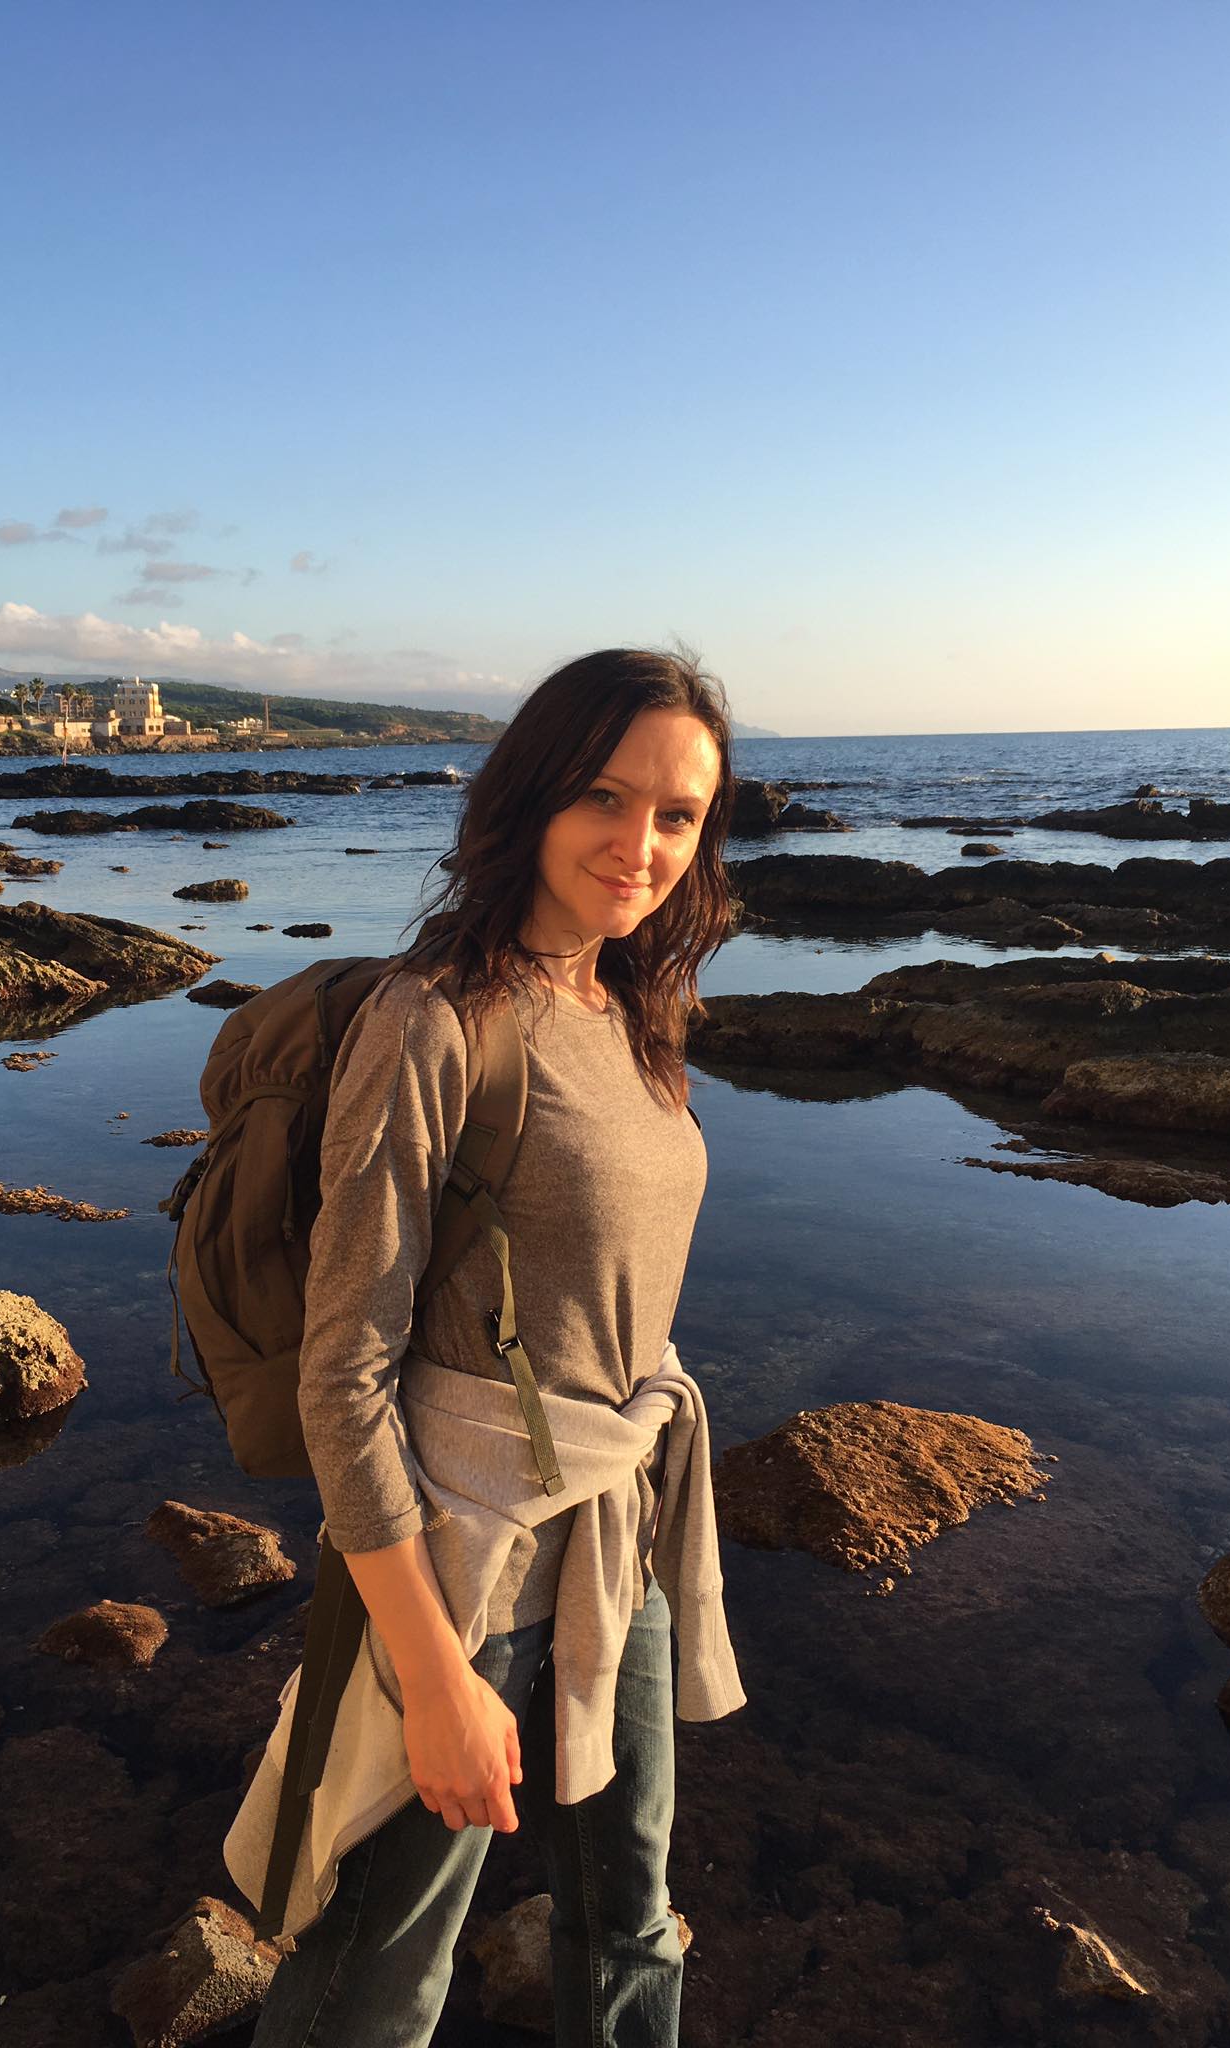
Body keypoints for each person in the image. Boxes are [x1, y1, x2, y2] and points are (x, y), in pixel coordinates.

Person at [250, 647, 743, 2048]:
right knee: (380, 1976)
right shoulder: (435, 1021)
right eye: (605, 795)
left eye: (678, 814)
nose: (640, 844)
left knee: (631, 1923)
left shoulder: (632, 1006)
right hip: (465, 1555)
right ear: (531, 793)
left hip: (618, 1528)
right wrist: (435, 1680)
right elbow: (343, 1375)